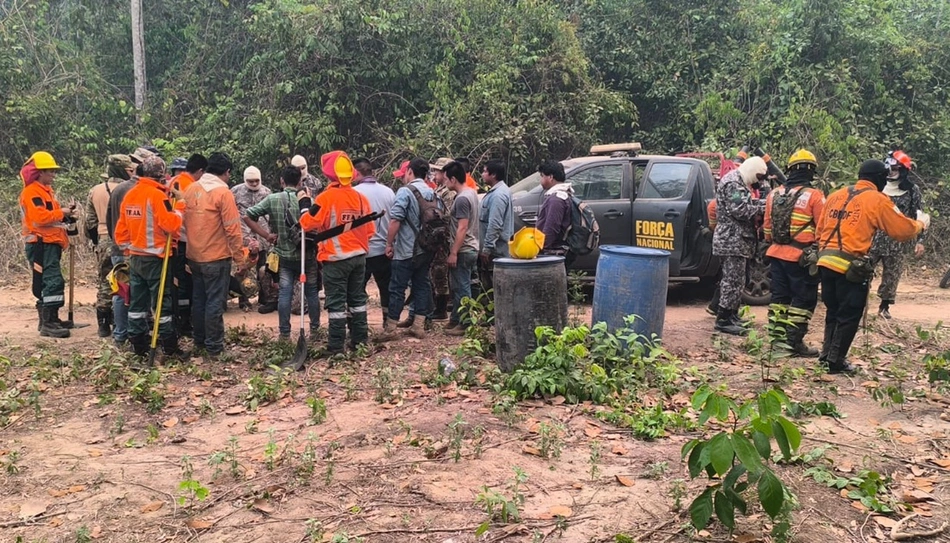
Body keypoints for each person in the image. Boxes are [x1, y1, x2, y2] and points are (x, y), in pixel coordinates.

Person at [815, 159, 929, 374]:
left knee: (833, 311)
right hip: (850, 266)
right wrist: (921, 224)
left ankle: (825, 357)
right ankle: (835, 361)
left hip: (824, 262)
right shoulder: (876, 199)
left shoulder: (835, 195)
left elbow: (820, 230)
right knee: (849, 314)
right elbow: (902, 230)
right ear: (878, 178)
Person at [114, 155, 189, 360]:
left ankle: (138, 345)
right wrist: (181, 206)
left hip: (136, 258)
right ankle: (169, 347)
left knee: (137, 304)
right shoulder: (157, 197)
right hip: (157, 258)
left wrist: (129, 250)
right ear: (161, 175)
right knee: (162, 304)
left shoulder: (130, 195)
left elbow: (120, 232)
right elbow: (171, 225)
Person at [300, 151, 375, 353]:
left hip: (335, 259)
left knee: (336, 305)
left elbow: (307, 224)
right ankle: (359, 341)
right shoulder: (361, 199)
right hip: (359, 258)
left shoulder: (325, 199)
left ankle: (335, 346)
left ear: (328, 175)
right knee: (357, 300)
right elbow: (370, 231)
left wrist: (304, 205)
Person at [244, 165, 321, 340]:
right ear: (301, 181)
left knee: (284, 293)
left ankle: (284, 334)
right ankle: (315, 330)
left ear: (281, 181)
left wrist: (267, 235)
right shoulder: (308, 201)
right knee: (311, 292)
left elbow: (247, 215)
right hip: (306, 254)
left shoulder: (272, 199)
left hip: (284, 256)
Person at [762, 149, 825, 356]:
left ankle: (777, 341)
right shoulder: (815, 196)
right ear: (811, 172)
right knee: (803, 299)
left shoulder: (774, 194)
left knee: (779, 297)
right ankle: (794, 343)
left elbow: (767, 229)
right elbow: (822, 228)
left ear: (789, 170)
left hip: (776, 254)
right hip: (801, 258)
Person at [181, 152, 244, 358]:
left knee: (199, 300)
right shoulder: (223, 194)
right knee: (215, 302)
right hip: (216, 257)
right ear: (226, 172)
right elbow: (233, 229)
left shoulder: (190, 189)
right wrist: (239, 257)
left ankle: (199, 341)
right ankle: (215, 347)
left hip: (194, 256)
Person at [378, 158, 438, 340]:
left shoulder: (405, 192)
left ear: (410, 172)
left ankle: (390, 329)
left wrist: (389, 243)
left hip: (406, 249)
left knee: (397, 288)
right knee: (421, 286)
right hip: (426, 248)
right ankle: (419, 326)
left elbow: (395, 219)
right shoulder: (432, 192)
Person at [19, 151, 76, 338]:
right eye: (50, 171)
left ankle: (50, 319)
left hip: (50, 243)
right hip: (41, 244)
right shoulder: (31, 192)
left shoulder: (45, 192)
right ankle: (48, 323)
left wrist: (66, 215)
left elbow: (50, 217)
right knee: (52, 281)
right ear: (39, 172)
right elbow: (40, 218)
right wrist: (63, 212)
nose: (53, 174)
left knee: (48, 281)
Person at [712, 156, 768, 335]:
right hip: (732, 239)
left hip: (737, 240)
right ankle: (723, 319)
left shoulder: (740, 182)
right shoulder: (734, 183)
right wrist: (766, 207)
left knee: (738, 279)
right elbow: (740, 210)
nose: (758, 180)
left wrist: (764, 203)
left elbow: (746, 203)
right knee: (732, 280)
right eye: (758, 176)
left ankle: (731, 314)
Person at [105, 147, 156, 346]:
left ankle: (121, 334)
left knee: (122, 292)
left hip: (121, 247)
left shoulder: (119, 189)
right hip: (138, 251)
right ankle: (137, 334)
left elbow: (111, 223)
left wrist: (119, 243)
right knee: (139, 295)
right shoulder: (143, 190)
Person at [870, 150, 926, 319]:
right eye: (890, 168)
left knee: (892, 275)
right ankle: (858, 302)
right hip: (874, 239)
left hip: (898, 241)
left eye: (896, 168)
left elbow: (919, 215)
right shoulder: (878, 187)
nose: (892, 171)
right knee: (863, 270)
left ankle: (884, 306)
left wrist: (920, 240)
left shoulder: (912, 190)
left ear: (903, 170)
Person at [85, 154, 134, 337]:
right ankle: (123, 322)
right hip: (123, 239)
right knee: (123, 280)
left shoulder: (95, 190)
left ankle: (103, 325)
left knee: (105, 281)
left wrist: (95, 240)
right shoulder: (129, 189)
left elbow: (89, 220)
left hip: (103, 238)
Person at [353, 157, 396, 328]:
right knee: (385, 288)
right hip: (384, 251)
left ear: (356, 172)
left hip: (361, 251)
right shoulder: (389, 192)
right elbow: (395, 220)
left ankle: (360, 324)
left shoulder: (354, 193)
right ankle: (387, 322)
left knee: (357, 290)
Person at [168, 153, 208, 337]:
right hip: (184, 240)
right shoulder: (192, 187)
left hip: (172, 240)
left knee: (177, 282)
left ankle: (179, 318)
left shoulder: (172, 181)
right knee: (186, 283)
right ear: (200, 171)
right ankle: (185, 322)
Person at [442, 161, 480, 336]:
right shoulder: (471, 193)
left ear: (453, 179)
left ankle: (465, 323)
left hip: (464, 249)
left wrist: (453, 252)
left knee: (462, 286)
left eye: (446, 179)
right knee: (459, 285)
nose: (444, 183)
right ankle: (456, 318)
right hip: (470, 247)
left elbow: (462, 227)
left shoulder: (463, 198)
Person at [232, 165, 273, 311]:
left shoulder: (267, 192)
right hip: (243, 236)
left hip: (262, 235)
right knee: (243, 269)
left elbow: (271, 215)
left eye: (256, 181)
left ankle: (264, 297)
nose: (254, 184)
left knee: (263, 267)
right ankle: (243, 300)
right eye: (251, 181)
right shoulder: (235, 191)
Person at [478, 159, 514, 300]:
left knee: (494, 285)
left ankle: (493, 316)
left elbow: (495, 224)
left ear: (493, 175)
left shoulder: (498, 195)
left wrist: (487, 248)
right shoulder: (499, 191)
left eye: (485, 171)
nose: (482, 174)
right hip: (496, 248)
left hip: (496, 250)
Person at [428, 157, 455, 321]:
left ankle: (441, 309)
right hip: (436, 238)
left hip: (443, 239)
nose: (434, 174)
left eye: (437, 171)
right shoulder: (439, 190)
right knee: (435, 271)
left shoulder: (449, 193)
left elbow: (449, 217)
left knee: (440, 272)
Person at [534, 160, 574, 264]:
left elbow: (552, 227)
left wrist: (540, 248)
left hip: (553, 252)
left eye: (542, 176)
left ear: (550, 177)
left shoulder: (556, 199)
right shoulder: (563, 194)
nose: (540, 180)